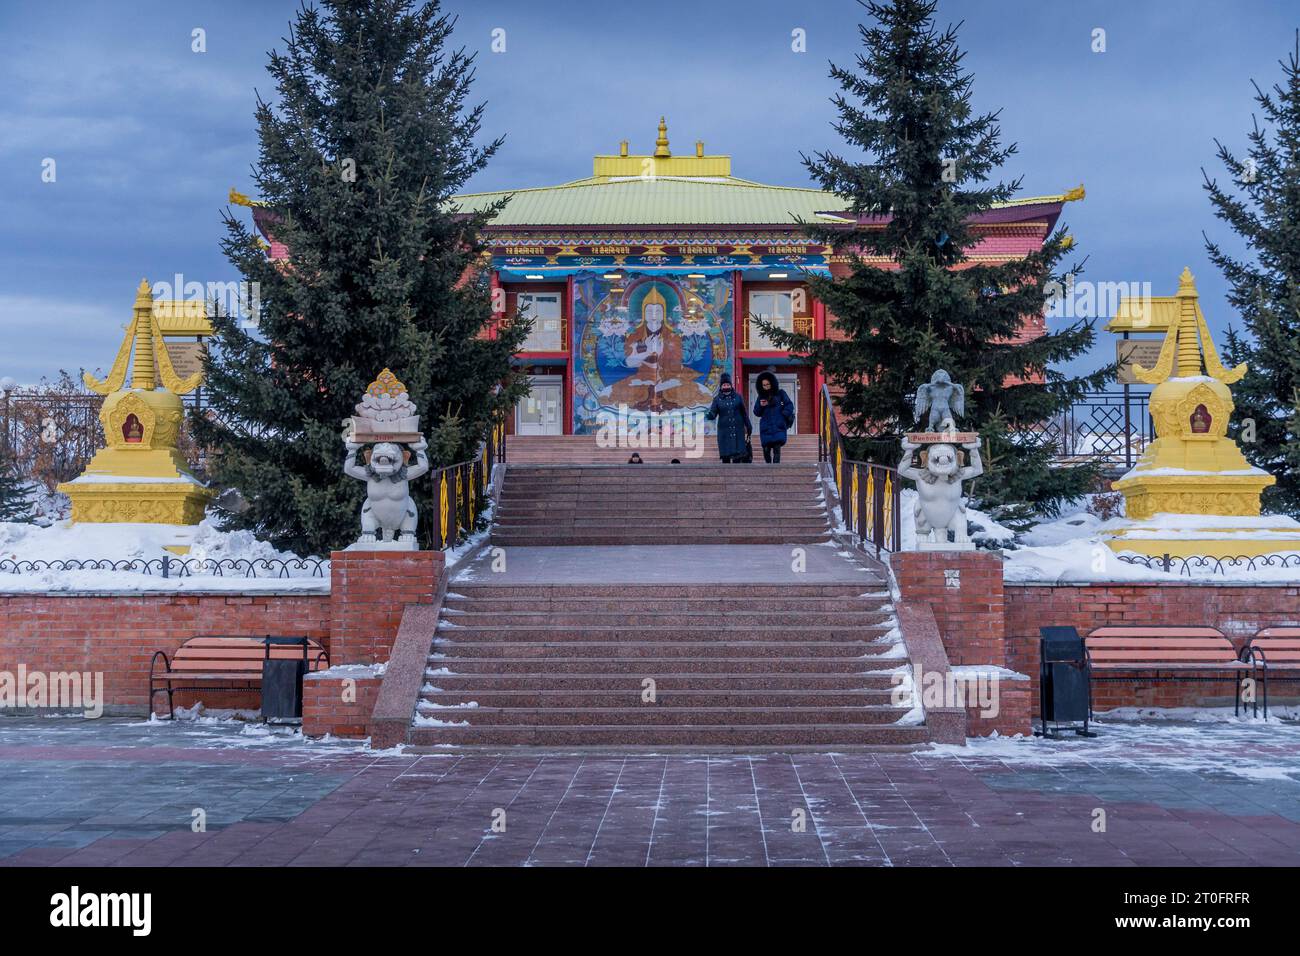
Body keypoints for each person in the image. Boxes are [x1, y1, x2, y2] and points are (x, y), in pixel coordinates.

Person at [704, 373, 751, 463]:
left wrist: (748, 426)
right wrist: (709, 415)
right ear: (721, 386)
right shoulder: (717, 399)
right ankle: (725, 476)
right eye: (724, 385)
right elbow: (713, 413)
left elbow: (744, 413)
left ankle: (737, 475)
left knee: (737, 456)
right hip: (724, 431)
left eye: (728, 384)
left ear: (731, 385)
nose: (726, 386)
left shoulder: (738, 397)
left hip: (737, 430)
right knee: (726, 456)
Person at [752, 370, 794, 464]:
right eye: (764, 385)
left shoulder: (780, 393)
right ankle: (768, 467)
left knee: (776, 449)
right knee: (766, 450)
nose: (766, 387)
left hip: (778, 425)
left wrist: (783, 415)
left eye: (768, 384)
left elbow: (789, 405)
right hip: (766, 427)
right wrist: (761, 406)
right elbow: (756, 412)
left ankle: (775, 469)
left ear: (772, 383)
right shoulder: (761, 396)